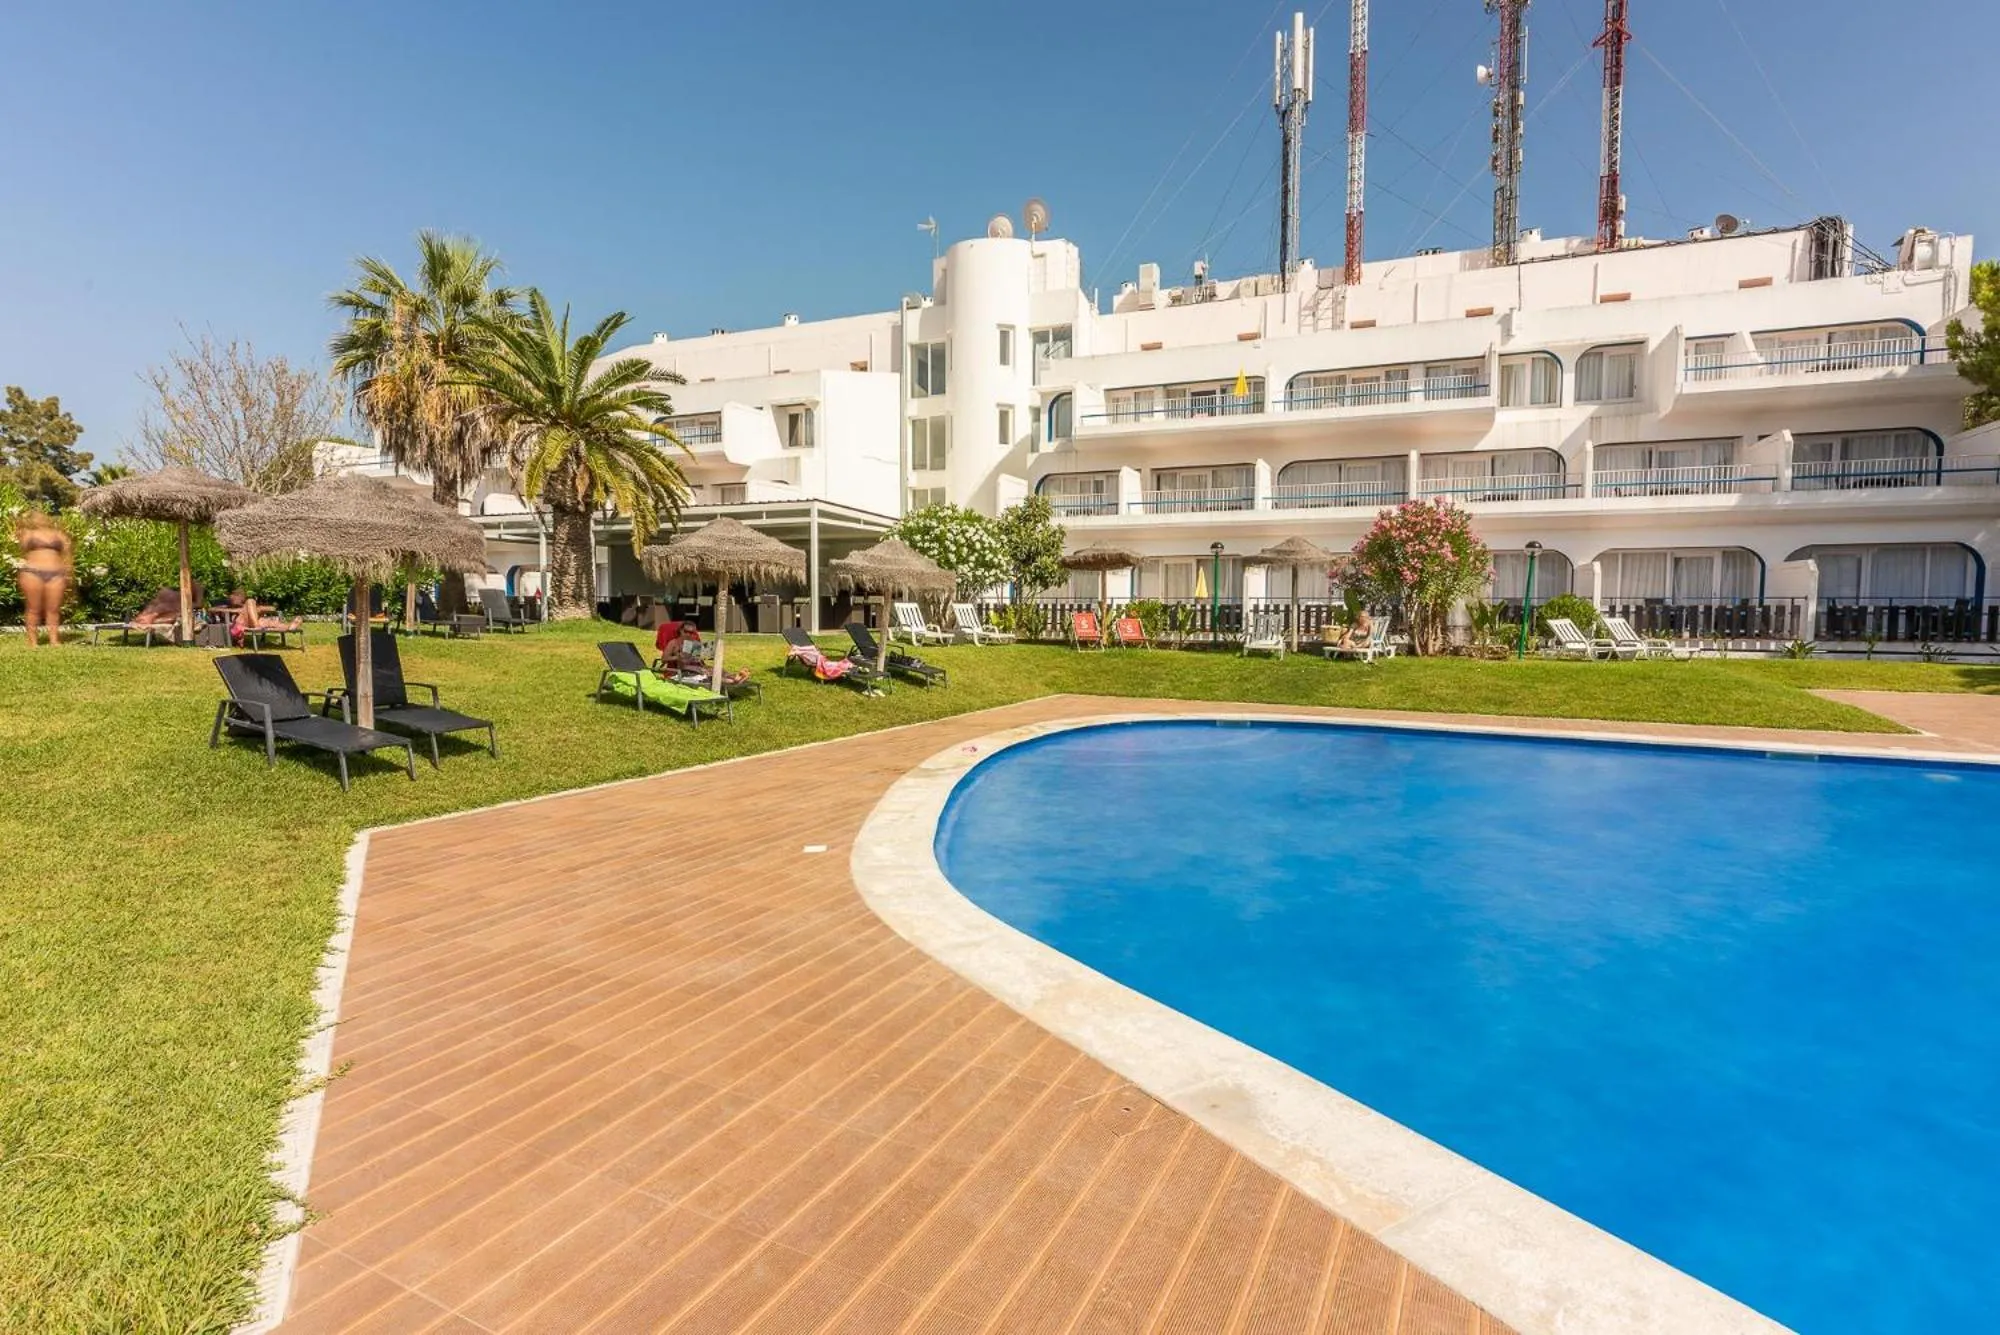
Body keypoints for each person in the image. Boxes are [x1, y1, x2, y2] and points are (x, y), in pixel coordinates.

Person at [14, 511, 73, 647]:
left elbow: (68, 553)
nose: (40, 519)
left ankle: (54, 640)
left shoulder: (59, 534)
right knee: (33, 608)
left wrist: (69, 571)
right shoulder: (28, 533)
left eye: (42, 516)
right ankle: (33, 641)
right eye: (36, 517)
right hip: (32, 572)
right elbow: (22, 547)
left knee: (53, 609)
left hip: (56, 573)